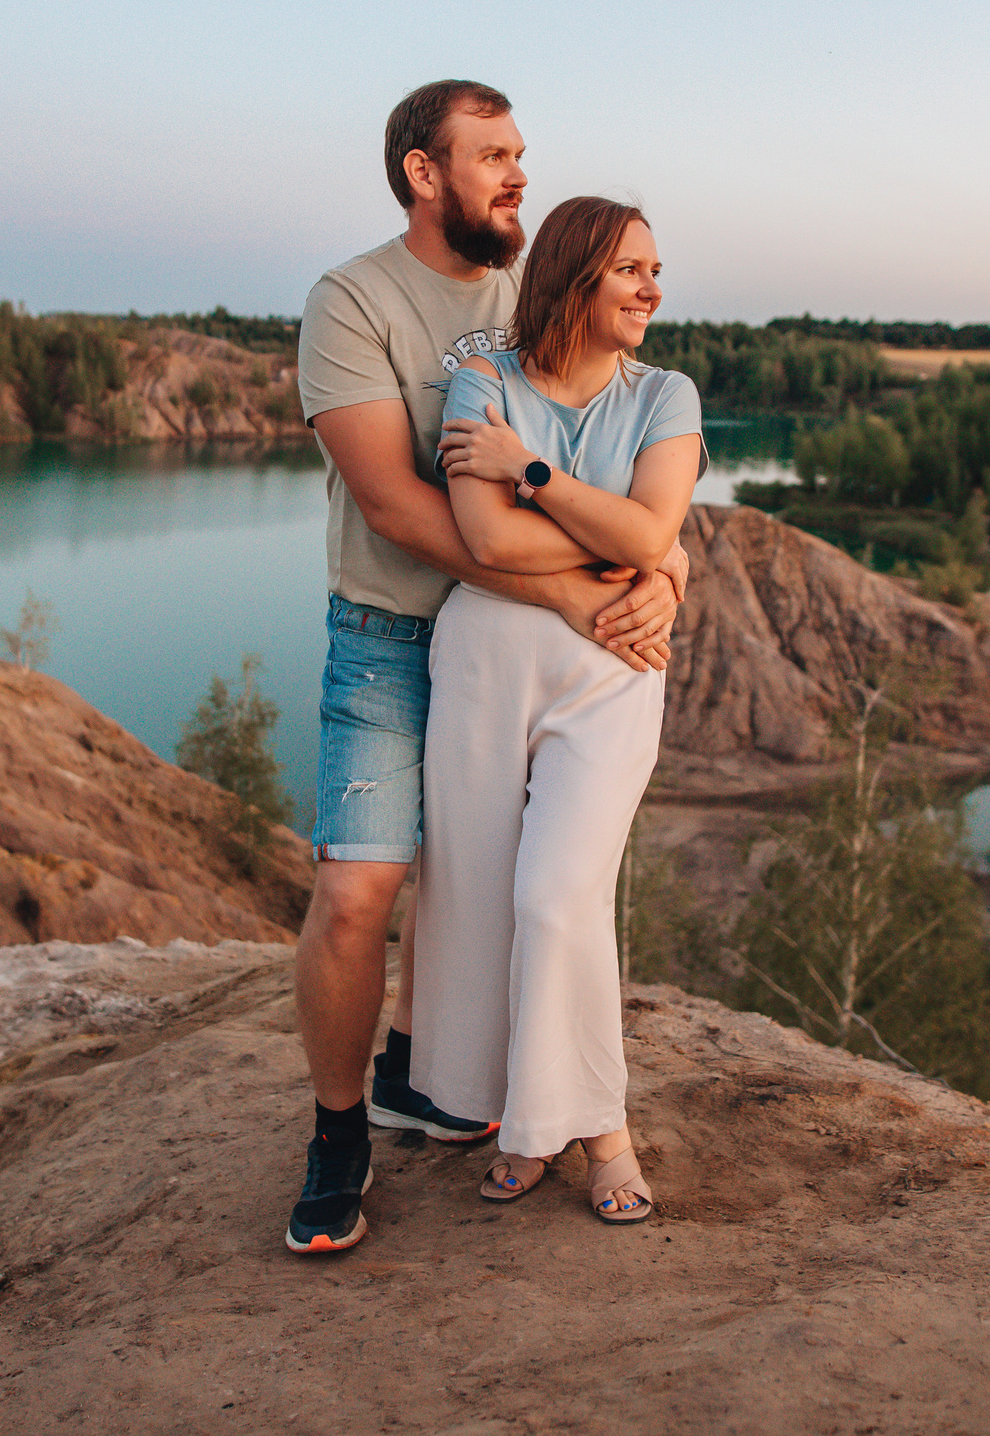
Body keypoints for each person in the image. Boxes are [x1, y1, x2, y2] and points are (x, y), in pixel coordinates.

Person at [286, 83, 689, 1254]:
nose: (519, 175)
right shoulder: (352, 300)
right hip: (390, 636)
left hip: (524, 643)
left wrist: (665, 574)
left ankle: (463, 1086)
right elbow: (399, 506)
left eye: (522, 155)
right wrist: (582, 585)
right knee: (364, 893)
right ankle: (337, 1132)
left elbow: (638, 471)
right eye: (493, 156)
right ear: (424, 172)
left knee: (526, 888)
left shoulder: (546, 289)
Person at [413, 196, 702, 1224]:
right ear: (575, 276)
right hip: (486, 663)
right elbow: (486, 544)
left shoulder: (667, 394)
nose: (652, 288)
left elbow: (650, 524)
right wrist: (635, 546)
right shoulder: (483, 378)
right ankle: (525, 1124)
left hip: (614, 666)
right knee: (486, 900)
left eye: (655, 270)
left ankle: (604, 1132)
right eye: (631, 269)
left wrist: (533, 472)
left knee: (557, 897)